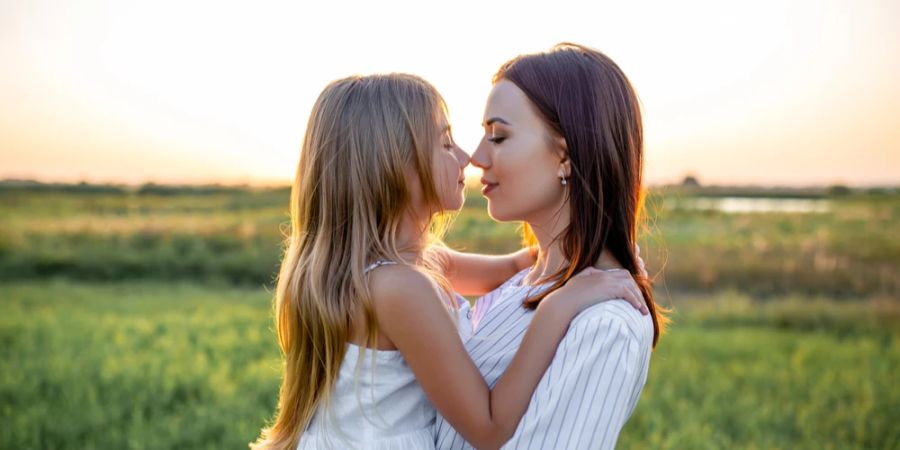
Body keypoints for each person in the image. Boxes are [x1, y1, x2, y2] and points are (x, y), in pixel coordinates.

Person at [250, 73, 648, 450]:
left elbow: (515, 267)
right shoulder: (399, 288)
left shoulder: (406, 264)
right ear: (393, 166)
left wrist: (597, 258)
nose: (466, 157)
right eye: (445, 144)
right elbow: (489, 427)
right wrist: (560, 305)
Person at [434, 43, 668, 449]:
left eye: (499, 136)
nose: (476, 156)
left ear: (565, 157)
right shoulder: (527, 279)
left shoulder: (605, 324)